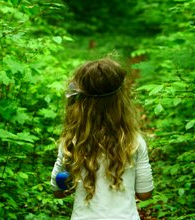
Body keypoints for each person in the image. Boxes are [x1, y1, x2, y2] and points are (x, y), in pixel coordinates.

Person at [50, 58, 154, 220]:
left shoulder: (72, 142)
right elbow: (145, 193)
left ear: (80, 103)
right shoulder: (134, 142)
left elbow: (58, 190)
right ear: (120, 100)